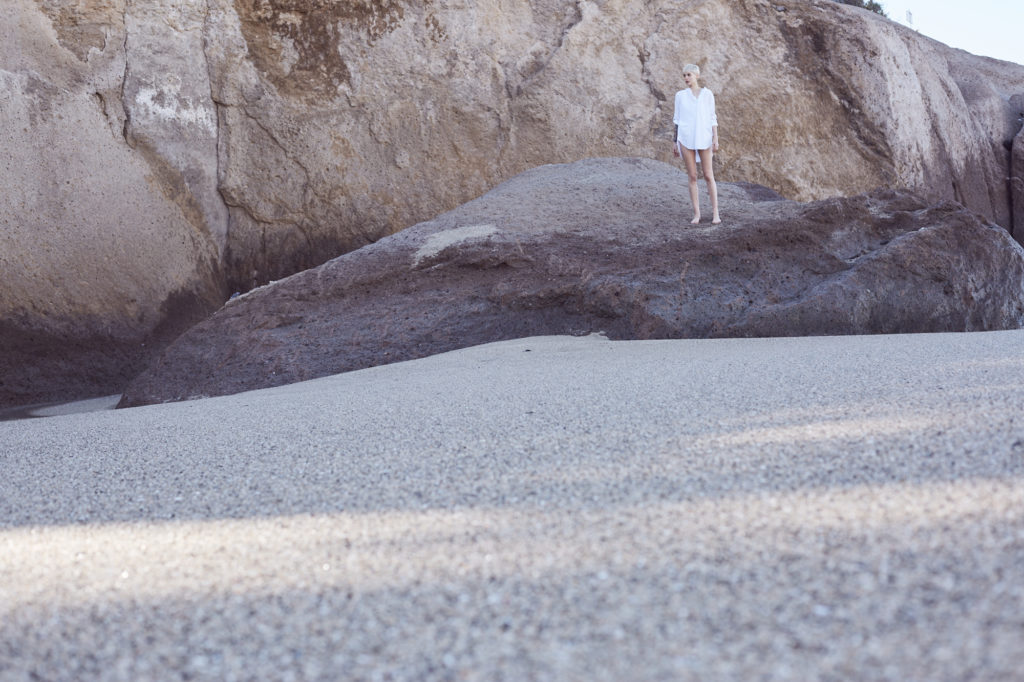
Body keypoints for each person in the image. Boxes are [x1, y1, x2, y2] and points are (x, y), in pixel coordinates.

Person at [673, 64, 720, 224]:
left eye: (689, 75)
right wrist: (674, 141)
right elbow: (677, 119)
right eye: (684, 75)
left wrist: (715, 138)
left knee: (708, 175)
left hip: (704, 137)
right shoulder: (680, 96)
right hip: (685, 138)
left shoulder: (707, 95)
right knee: (692, 176)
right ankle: (697, 214)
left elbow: (712, 117)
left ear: (697, 76)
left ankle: (715, 213)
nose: (686, 78)